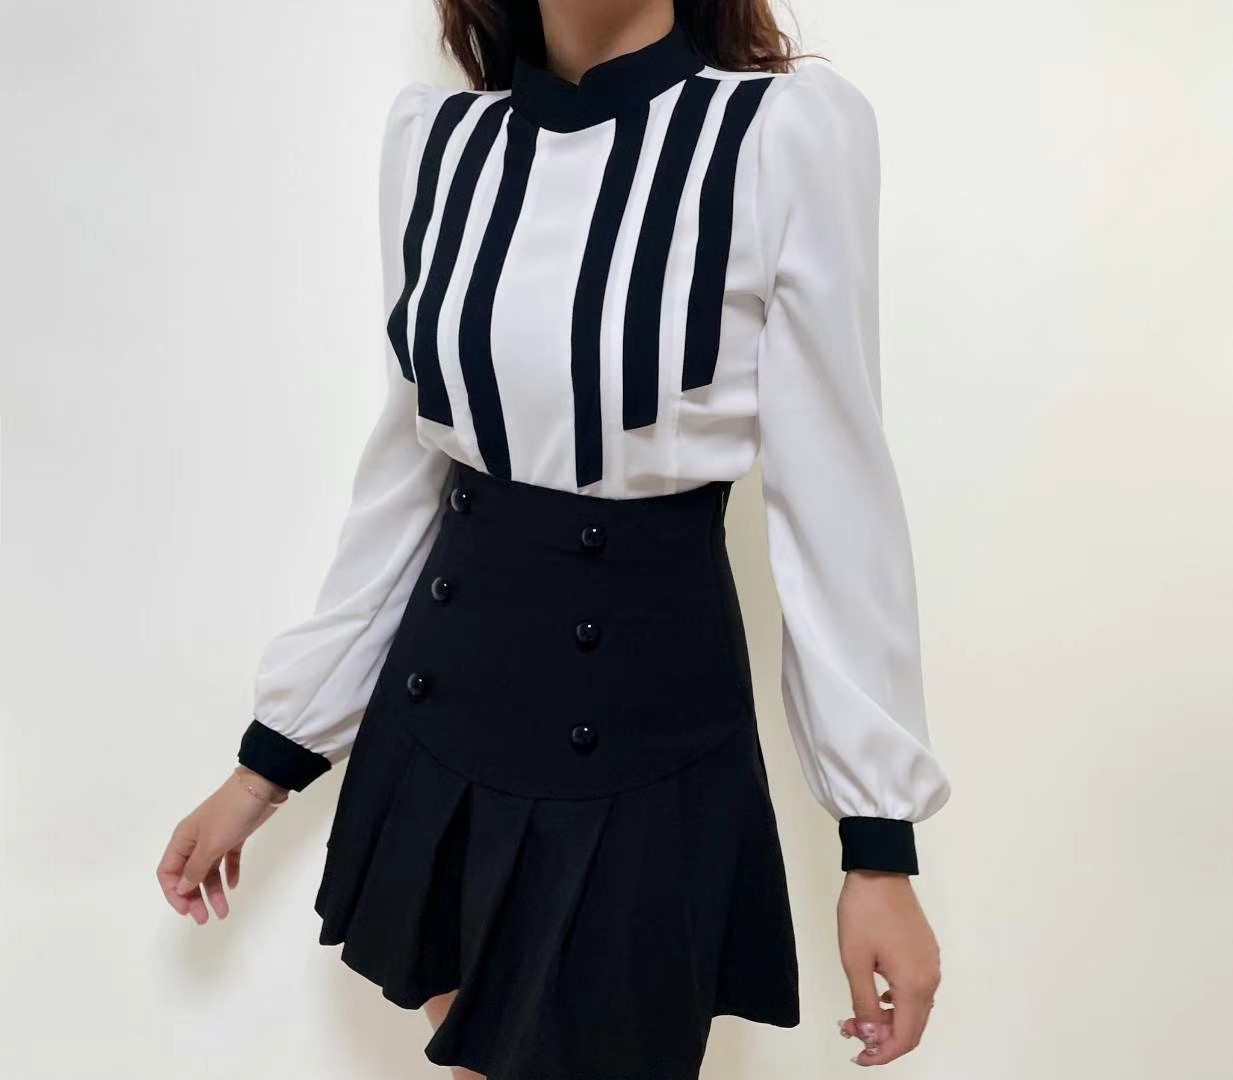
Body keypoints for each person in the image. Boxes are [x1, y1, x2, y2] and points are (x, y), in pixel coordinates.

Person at [157, 1, 952, 1075]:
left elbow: (835, 497)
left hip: (641, 735)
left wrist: (877, 845)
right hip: (444, 721)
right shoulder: (440, 144)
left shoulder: (779, 135)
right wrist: (266, 766)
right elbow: (408, 474)